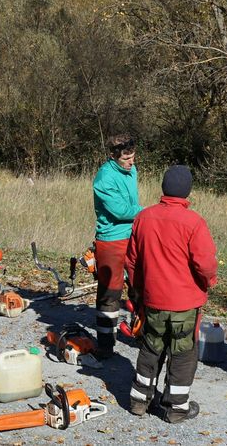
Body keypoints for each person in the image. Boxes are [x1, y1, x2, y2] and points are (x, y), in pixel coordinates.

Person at [124, 165, 218, 423]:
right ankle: (176, 409)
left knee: (151, 347)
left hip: (153, 300)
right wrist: (209, 281)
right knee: (182, 353)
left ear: (163, 188)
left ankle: (139, 401)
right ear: (188, 192)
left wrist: (138, 290)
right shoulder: (194, 222)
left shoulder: (144, 218)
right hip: (184, 304)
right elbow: (205, 264)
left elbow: (132, 261)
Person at [92, 134, 143, 358]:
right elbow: (120, 210)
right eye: (126, 158)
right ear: (113, 157)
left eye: (133, 157)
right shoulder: (104, 177)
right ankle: (105, 343)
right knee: (109, 292)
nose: (131, 162)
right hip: (111, 239)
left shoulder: (132, 170)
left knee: (139, 287)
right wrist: (146, 214)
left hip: (133, 236)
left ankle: (142, 335)